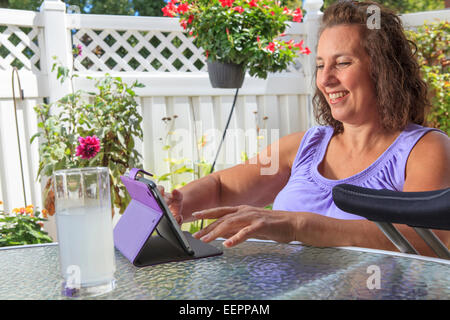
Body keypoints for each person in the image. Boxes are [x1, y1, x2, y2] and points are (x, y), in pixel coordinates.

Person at [159, 1, 450, 257]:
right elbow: (223, 188)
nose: (325, 79)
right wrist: (178, 202)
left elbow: (430, 241)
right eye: (321, 65)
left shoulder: (424, 149)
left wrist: (299, 225)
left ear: (384, 70)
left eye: (342, 63)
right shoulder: (304, 147)